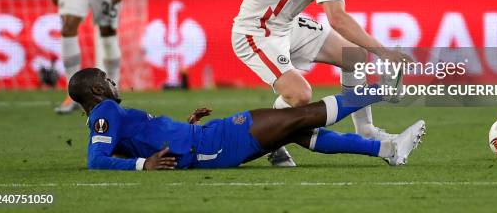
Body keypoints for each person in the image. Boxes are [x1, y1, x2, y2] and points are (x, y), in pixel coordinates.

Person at [232, 0, 420, 167]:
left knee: (353, 56)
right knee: (300, 96)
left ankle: (367, 131)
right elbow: (338, 19)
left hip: (285, 23)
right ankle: (272, 138)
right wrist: (384, 52)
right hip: (256, 32)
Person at [72, 67, 425, 170]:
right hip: (214, 146)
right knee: (301, 114)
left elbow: (138, 141)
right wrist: (143, 167)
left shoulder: (107, 115)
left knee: (299, 129)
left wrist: (185, 126)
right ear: (97, 92)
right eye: (105, 79)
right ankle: (381, 90)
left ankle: (388, 151)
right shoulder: (106, 113)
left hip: (206, 139)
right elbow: (96, 160)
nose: (112, 81)